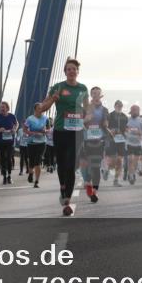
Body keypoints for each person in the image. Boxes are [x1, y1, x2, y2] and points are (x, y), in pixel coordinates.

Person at [35, 58, 88, 216]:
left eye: (74, 69)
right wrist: (53, 99)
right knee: (62, 164)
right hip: (60, 130)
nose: (71, 71)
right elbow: (42, 108)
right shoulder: (58, 87)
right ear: (65, 72)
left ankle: (67, 201)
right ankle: (62, 187)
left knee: (71, 165)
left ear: (78, 72)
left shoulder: (83, 88)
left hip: (77, 132)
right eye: (69, 69)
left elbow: (87, 109)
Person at [81, 86, 110, 203]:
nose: (96, 95)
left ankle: (94, 192)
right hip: (85, 140)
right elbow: (79, 122)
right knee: (85, 165)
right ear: (91, 95)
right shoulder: (85, 108)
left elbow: (107, 122)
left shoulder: (105, 110)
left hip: (99, 140)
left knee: (96, 166)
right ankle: (87, 183)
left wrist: (106, 123)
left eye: (98, 93)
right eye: (93, 93)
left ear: (101, 95)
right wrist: (85, 120)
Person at [0, 101, 19, 183]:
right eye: (1, 107)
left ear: (7, 108)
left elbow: (16, 124)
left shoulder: (12, 116)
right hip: (0, 142)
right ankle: (4, 175)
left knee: (9, 158)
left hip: (10, 141)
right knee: (2, 159)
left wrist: (14, 129)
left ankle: (9, 176)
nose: (1, 109)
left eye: (3, 107)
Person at [24, 107, 49, 188]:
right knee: (31, 161)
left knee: (38, 161)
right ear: (35, 110)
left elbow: (49, 129)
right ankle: (31, 173)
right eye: (39, 108)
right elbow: (25, 130)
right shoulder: (30, 119)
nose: (41, 109)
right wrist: (33, 133)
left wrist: (45, 131)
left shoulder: (45, 118)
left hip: (42, 142)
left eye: (42, 108)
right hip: (31, 143)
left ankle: (37, 181)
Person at [106, 100, 129, 187]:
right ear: (114, 106)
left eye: (121, 106)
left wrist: (128, 130)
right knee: (112, 161)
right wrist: (111, 131)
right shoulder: (110, 115)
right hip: (112, 140)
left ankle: (116, 180)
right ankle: (107, 169)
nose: (119, 107)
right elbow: (106, 126)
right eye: (118, 106)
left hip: (121, 140)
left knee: (120, 160)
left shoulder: (125, 117)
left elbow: (126, 128)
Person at [124, 104, 142, 185]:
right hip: (129, 142)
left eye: (136, 111)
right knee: (130, 159)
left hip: (138, 144)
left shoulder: (141, 121)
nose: (134, 112)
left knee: (135, 161)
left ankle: (133, 173)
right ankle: (131, 175)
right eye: (133, 111)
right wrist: (127, 131)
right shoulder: (127, 120)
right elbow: (124, 130)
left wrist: (140, 133)